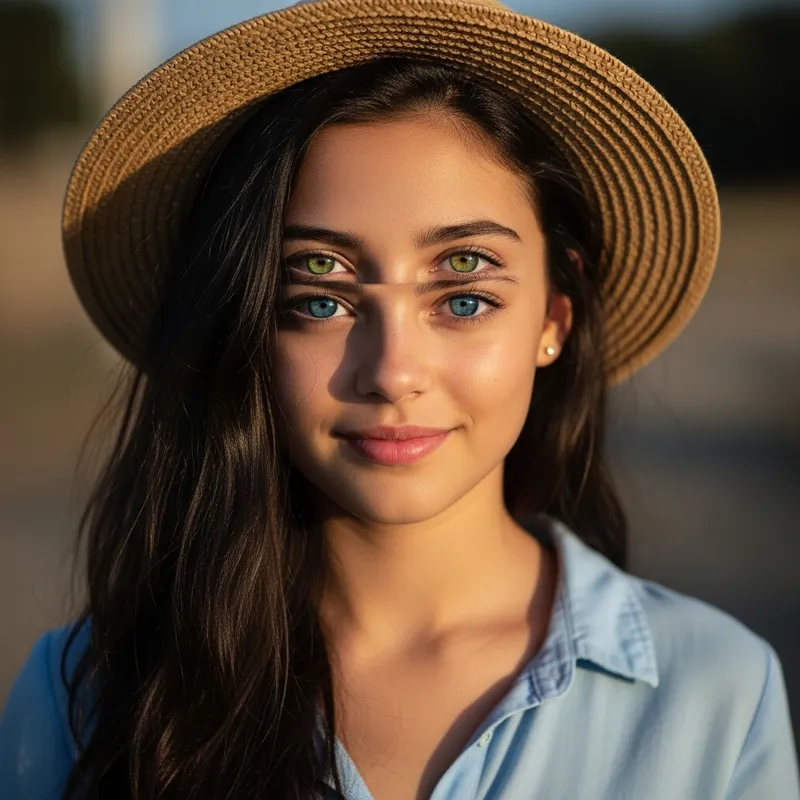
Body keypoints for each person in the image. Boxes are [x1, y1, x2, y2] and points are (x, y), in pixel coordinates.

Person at [1, 0, 798, 797]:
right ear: (241, 328)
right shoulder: (84, 697)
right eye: (319, 299)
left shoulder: (716, 694)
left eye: (463, 296)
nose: (391, 371)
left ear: (554, 319)